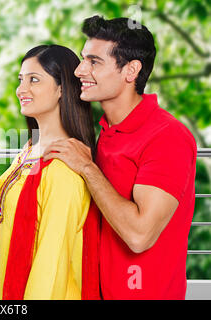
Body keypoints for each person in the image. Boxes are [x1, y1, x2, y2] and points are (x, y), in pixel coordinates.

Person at [43, 16, 197, 300]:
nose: (79, 70)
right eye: (82, 59)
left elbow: (140, 236)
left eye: (94, 62)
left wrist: (88, 169)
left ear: (131, 71)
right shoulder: (107, 132)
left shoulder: (167, 137)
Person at [0, 45, 96, 299]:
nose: (21, 89)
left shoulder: (64, 169)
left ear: (62, 89)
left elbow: (50, 267)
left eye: (34, 80)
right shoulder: (32, 150)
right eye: (21, 80)